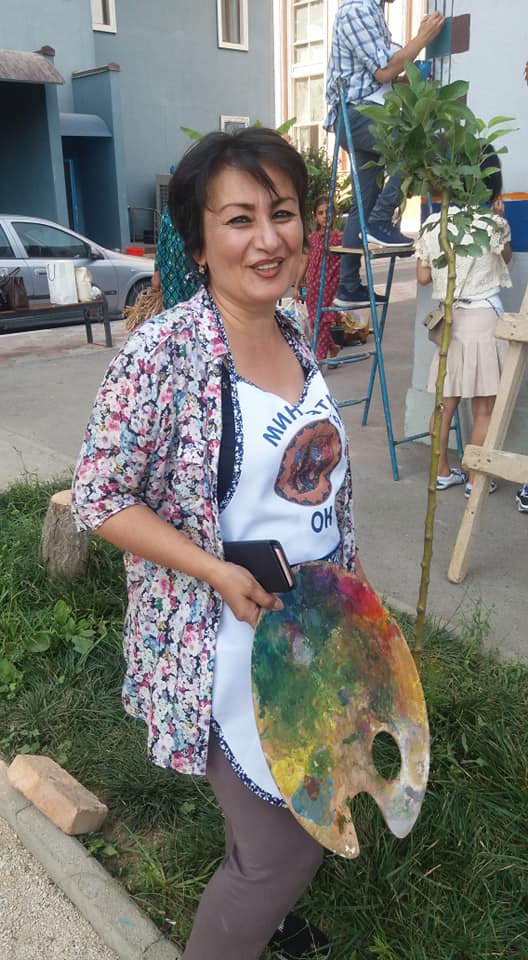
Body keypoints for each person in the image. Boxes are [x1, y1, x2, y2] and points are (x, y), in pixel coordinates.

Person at [72, 126, 366, 960]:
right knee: (286, 850)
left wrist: (355, 598)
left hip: (307, 629)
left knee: (289, 803)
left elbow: (318, 486)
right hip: (223, 640)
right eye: (239, 219)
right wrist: (213, 571)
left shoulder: (294, 328)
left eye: (283, 212)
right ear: (198, 245)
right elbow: (98, 494)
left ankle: (260, 917)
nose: (268, 239)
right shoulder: (165, 353)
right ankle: (251, 911)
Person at [324, 0, 445, 309]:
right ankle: (379, 221)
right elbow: (383, 71)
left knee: (363, 200)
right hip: (358, 114)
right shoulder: (357, 8)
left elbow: (382, 75)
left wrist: (408, 77)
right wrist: (421, 39)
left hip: (367, 112)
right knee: (419, 144)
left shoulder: (373, 10)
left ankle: (348, 287)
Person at [415, 154, 512, 499]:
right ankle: (475, 479)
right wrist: (499, 219)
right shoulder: (493, 224)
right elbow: (506, 259)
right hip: (484, 320)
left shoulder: (433, 224)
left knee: (444, 404)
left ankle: (441, 472)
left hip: (450, 322)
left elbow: (423, 277)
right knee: (484, 407)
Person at [293, 195, 345, 361]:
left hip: (331, 287)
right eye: (321, 213)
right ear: (315, 216)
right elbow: (304, 261)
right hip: (314, 289)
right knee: (316, 322)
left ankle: (319, 361)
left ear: (335, 214)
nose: (325, 216)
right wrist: (297, 285)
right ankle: (333, 347)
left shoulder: (340, 238)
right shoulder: (312, 239)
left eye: (328, 212)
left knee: (323, 322)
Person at [151, 205, 201, 308]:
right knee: (173, 311)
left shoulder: (199, 208)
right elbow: (162, 242)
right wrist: (157, 272)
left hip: (193, 273)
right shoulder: (169, 210)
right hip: (170, 274)